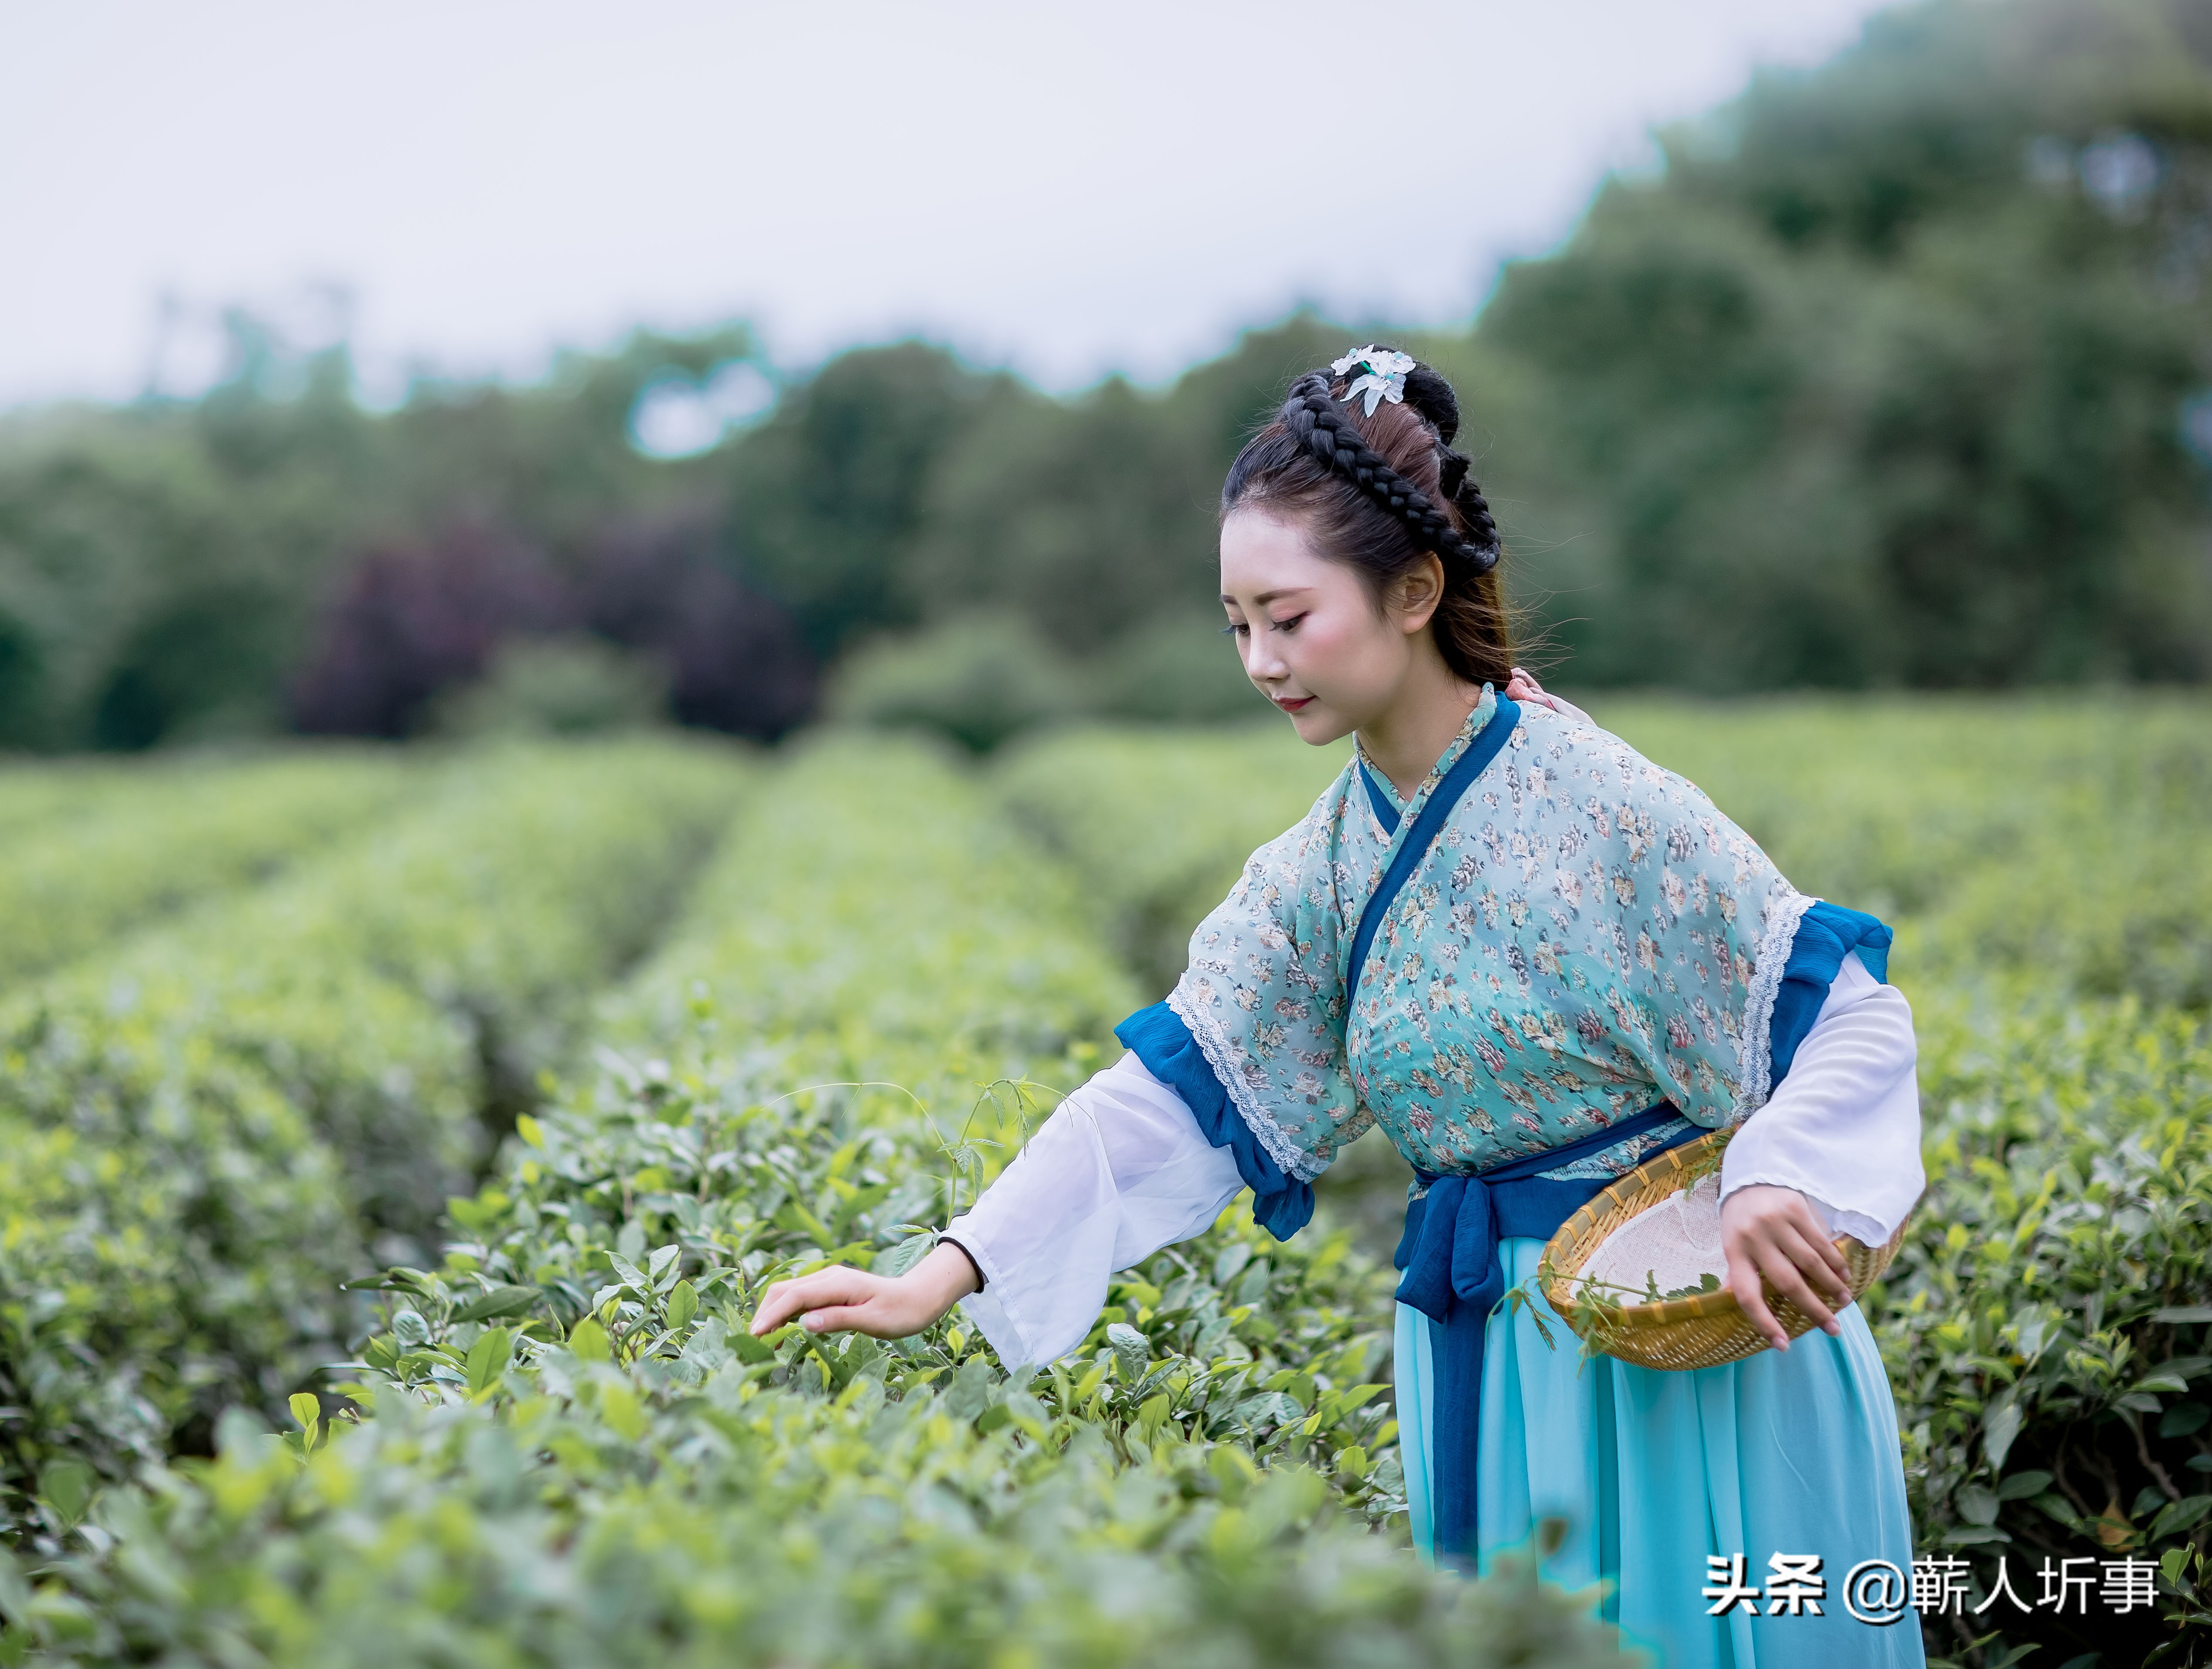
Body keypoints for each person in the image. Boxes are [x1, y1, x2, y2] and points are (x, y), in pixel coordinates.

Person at [752, 346, 1926, 1668]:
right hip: (1495, 1345)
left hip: (1686, 1345)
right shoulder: (1314, 872)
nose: (1260, 659)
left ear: (1416, 590)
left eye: (1289, 616)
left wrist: (1777, 1178)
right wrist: (942, 1274)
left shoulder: (1602, 803)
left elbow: (1847, 1017)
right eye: (1236, 623)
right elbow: (1167, 1097)